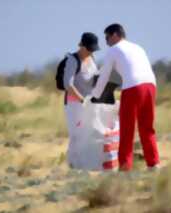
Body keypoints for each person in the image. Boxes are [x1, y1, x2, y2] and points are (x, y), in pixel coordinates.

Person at [90, 23, 160, 171]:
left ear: (115, 35)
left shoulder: (114, 50)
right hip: (150, 85)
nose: (106, 41)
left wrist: (94, 95)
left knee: (127, 130)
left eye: (107, 37)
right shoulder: (137, 47)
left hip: (133, 87)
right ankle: (154, 165)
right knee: (147, 128)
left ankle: (125, 168)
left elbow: (103, 76)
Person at [63, 32, 100, 168]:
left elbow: (95, 79)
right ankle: (72, 165)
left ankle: (86, 164)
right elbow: (68, 84)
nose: (91, 52)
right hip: (74, 104)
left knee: (89, 134)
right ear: (82, 46)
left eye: (93, 49)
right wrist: (82, 100)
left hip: (90, 103)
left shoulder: (92, 59)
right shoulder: (73, 60)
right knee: (76, 136)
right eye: (90, 49)